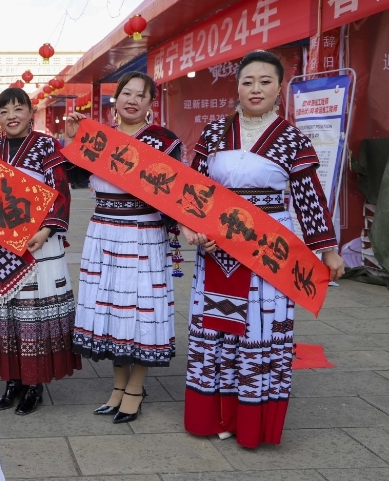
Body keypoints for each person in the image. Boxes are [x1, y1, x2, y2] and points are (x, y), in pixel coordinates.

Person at [181, 50, 345, 448]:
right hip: (217, 247)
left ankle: (251, 420)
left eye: (265, 81)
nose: (256, 89)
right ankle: (216, 415)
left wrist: (328, 251)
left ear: (279, 88)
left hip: (268, 249)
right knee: (216, 328)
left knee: (259, 329)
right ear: (237, 87)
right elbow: (192, 190)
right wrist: (190, 226)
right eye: (248, 81)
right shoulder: (214, 133)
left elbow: (309, 198)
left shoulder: (292, 139)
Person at [65, 72, 182, 424]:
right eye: (126, 94)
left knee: (141, 310)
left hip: (143, 233)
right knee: (112, 310)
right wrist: (73, 140)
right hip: (104, 233)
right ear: (116, 99)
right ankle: (118, 386)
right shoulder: (101, 138)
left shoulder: (164, 141)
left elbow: (174, 193)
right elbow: (75, 177)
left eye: (140, 95)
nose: (132, 100)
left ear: (151, 103)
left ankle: (135, 387)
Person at [0, 87, 81, 416]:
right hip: (0, 245)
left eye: (18, 108)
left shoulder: (46, 145)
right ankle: (12, 381)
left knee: (33, 313)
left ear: (30, 113)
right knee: (5, 313)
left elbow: (60, 190)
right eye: (4, 111)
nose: (11, 116)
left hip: (38, 243)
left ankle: (34, 384)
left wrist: (46, 230)